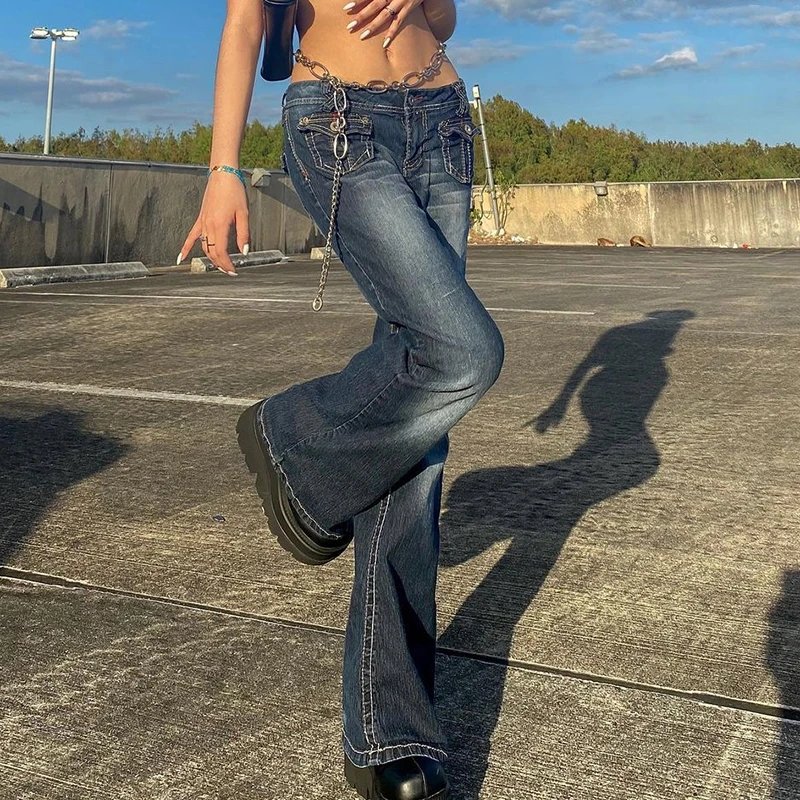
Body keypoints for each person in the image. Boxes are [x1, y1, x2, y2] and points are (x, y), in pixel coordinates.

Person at [180, 0, 504, 797]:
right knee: (461, 353)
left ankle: (388, 728)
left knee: (418, 435)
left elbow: (443, 21)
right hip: (339, 120)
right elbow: (245, 22)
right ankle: (293, 437)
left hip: (442, 120)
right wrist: (223, 170)